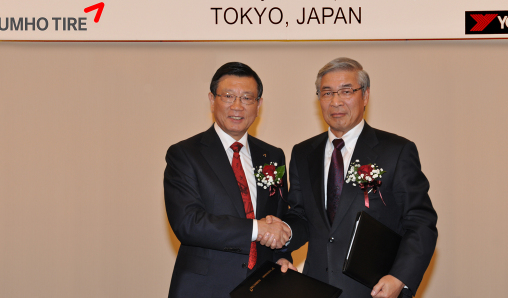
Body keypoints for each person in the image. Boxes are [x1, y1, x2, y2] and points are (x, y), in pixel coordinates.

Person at [282, 57, 437, 298]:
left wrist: (399, 278)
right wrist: (282, 236)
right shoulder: (303, 153)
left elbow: (421, 222)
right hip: (316, 288)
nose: (336, 101)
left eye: (346, 91)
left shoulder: (395, 151)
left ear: (365, 96)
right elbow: (300, 215)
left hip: (375, 290)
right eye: (327, 93)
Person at [163, 62, 295, 298]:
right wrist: (257, 228)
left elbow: (278, 216)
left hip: (262, 287)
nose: (237, 106)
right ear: (212, 100)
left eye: (247, 98)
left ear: (259, 104)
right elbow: (188, 223)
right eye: (228, 96)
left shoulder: (273, 156)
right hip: (204, 289)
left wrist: (283, 256)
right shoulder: (185, 154)